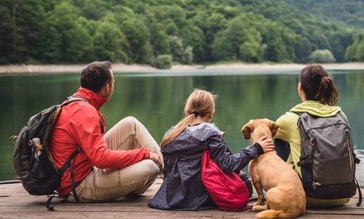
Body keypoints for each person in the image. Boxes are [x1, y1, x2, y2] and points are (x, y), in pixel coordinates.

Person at [49, 61, 163, 202]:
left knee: (131, 123)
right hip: (78, 185)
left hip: (85, 166)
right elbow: (101, 159)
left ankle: (169, 171)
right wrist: (143, 154)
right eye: (113, 82)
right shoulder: (85, 112)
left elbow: (96, 155)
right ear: (107, 88)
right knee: (150, 168)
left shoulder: (75, 103)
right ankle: (171, 175)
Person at [148, 89, 275, 210]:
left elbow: (167, 170)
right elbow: (228, 165)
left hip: (169, 197)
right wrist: (256, 149)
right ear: (211, 113)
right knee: (244, 183)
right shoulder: (210, 133)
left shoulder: (171, 133)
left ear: (187, 111)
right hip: (198, 198)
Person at [274, 63, 350, 208]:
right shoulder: (341, 116)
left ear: (299, 87)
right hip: (344, 195)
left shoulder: (289, 119)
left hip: (306, 196)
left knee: (278, 140)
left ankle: (280, 189)